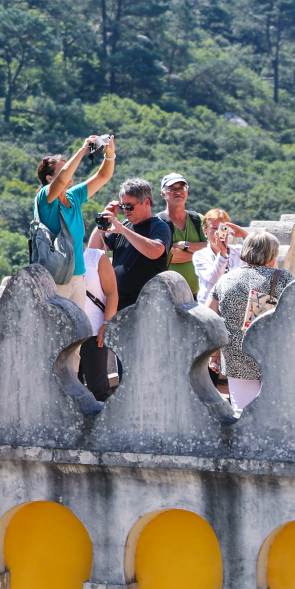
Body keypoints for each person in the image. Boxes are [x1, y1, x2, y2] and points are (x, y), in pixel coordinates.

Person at [212, 230, 292, 408]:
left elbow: (210, 317)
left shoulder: (225, 280)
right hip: (272, 355)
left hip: (235, 356)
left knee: (242, 411)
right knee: (276, 410)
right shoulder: (283, 278)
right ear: (273, 254)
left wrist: (215, 354)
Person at [34, 135, 116, 305]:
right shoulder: (45, 198)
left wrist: (110, 154)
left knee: (79, 330)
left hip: (78, 276)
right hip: (55, 278)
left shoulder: (74, 197)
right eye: (65, 168)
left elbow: (103, 176)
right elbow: (63, 178)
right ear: (49, 179)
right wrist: (83, 150)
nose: (71, 170)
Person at [102, 178, 172, 308]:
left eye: (129, 206)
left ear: (146, 203)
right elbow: (95, 248)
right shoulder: (124, 225)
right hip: (117, 303)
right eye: (123, 206)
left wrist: (123, 230)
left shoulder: (160, 227)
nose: (125, 211)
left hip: (146, 305)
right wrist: (104, 221)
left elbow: (155, 251)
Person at [77, 214, 120, 401]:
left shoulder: (96, 257)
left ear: (83, 229)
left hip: (94, 331)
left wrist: (106, 324)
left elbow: (112, 292)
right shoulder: (56, 261)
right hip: (67, 333)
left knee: (98, 388)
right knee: (69, 387)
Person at [158, 173, 207, 291]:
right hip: (169, 295)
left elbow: (212, 248)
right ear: (163, 194)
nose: (178, 192)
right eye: (172, 189)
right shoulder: (158, 222)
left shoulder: (198, 219)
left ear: (187, 191)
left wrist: (185, 245)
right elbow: (168, 256)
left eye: (181, 188)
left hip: (200, 296)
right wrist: (200, 254)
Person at [194, 208, 244, 307]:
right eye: (214, 228)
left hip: (235, 309)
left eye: (222, 228)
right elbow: (213, 279)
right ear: (205, 231)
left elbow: (262, 253)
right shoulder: (200, 256)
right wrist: (223, 253)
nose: (218, 232)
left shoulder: (239, 251)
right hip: (209, 310)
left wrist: (245, 235)